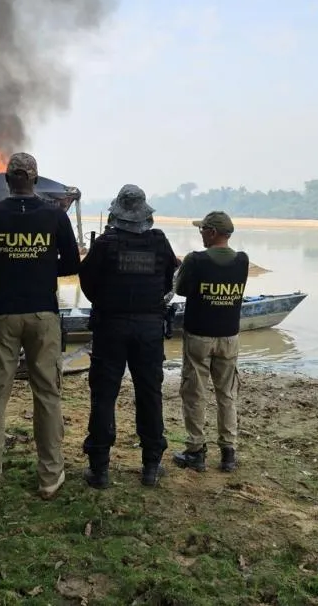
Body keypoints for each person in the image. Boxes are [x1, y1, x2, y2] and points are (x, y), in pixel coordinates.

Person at [0, 152, 81, 506]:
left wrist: (3, 274)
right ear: (34, 178)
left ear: (6, 180)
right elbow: (73, 263)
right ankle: (49, 477)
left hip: (2, 312)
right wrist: (40, 270)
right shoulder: (53, 216)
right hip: (44, 314)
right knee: (47, 393)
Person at [78, 184, 178, 488]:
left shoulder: (105, 244)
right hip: (149, 329)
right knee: (150, 394)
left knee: (104, 395)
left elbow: (88, 283)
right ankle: (150, 466)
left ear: (116, 212)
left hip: (111, 327)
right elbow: (167, 281)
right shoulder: (159, 242)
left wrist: (109, 303)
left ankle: (100, 469)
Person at [172, 211, 249, 473]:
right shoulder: (242, 261)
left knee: (195, 393)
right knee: (226, 394)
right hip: (230, 337)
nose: (201, 234)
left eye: (202, 229)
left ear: (213, 233)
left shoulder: (196, 260)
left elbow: (180, 289)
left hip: (199, 336)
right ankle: (228, 452)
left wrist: (183, 267)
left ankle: (195, 450)